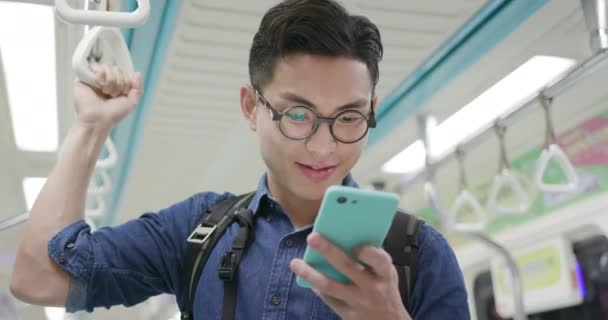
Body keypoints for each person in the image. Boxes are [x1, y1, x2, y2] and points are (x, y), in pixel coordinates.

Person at [10, 0, 470, 319]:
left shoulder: (419, 256)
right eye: (298, 114)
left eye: (349, 117)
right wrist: (91, 127)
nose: (325, 146)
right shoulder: (197, 230)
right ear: (252, 107)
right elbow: (38, 280)